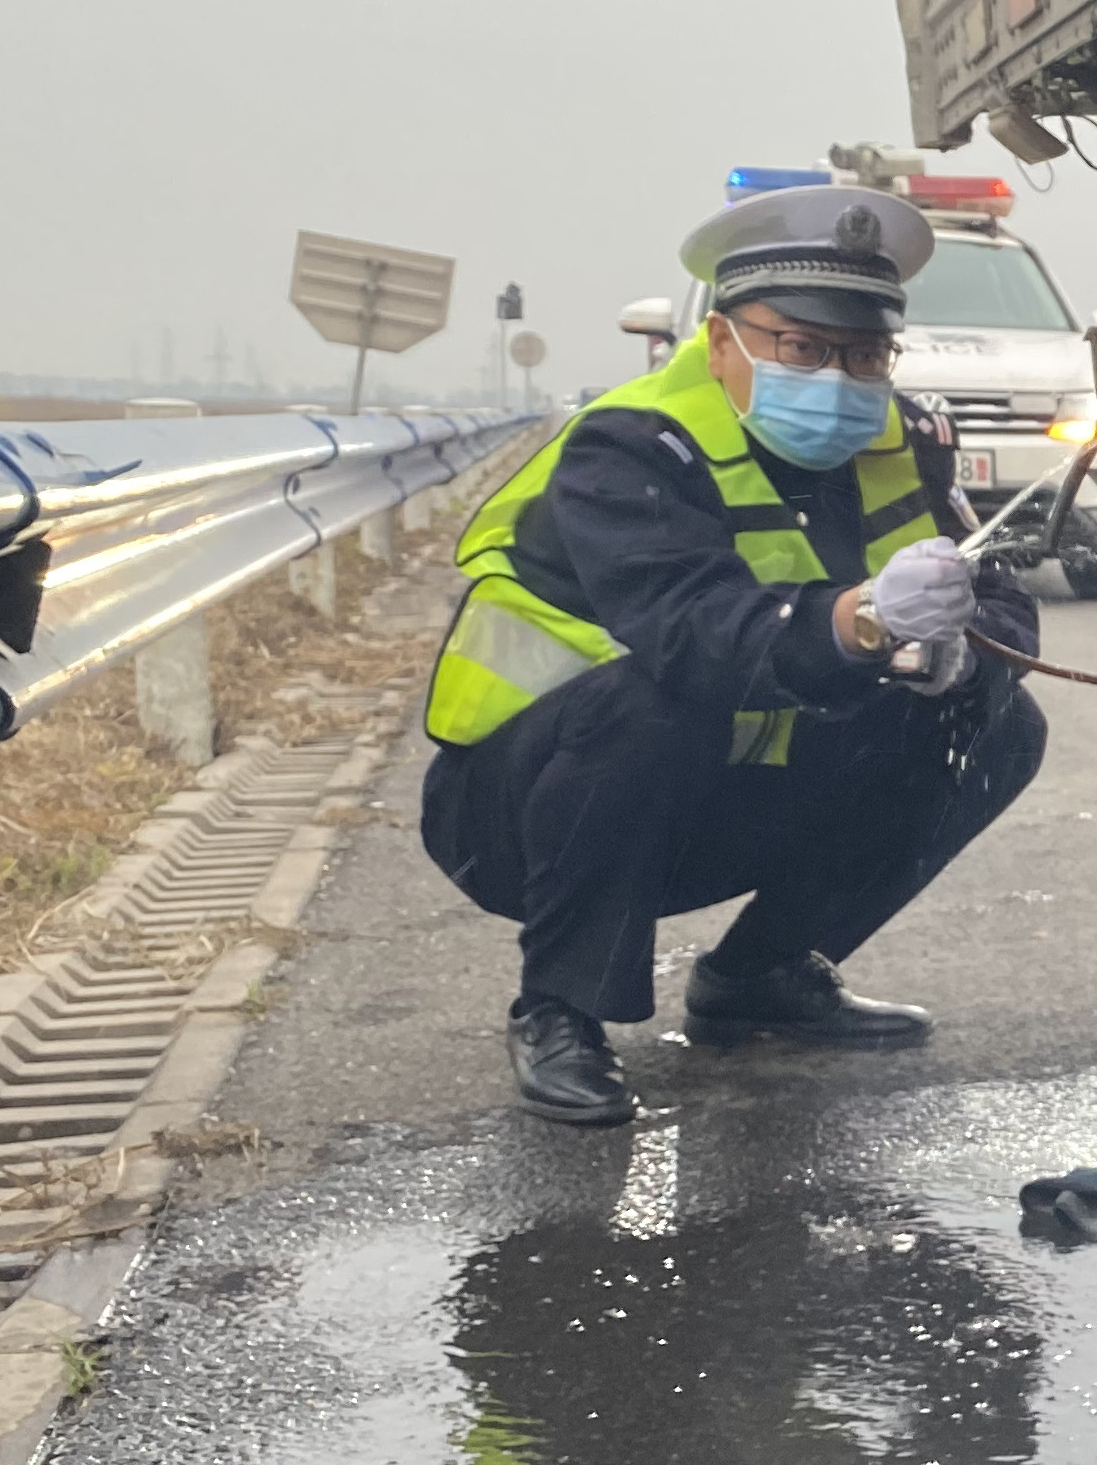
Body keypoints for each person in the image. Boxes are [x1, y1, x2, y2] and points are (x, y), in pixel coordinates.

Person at [419, 182, 1047, 1124]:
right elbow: (691, 634)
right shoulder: (629, 447)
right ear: (724, 341)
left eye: (866, 352)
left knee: (997, 725)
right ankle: (559, 1008)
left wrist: (965, 657)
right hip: (531, 806)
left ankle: (761, 975)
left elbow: (1000, 597)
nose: (838, 377)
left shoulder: (909, 438)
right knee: (650, 700)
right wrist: (861, 623)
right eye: (802, 347)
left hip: (739, 780)